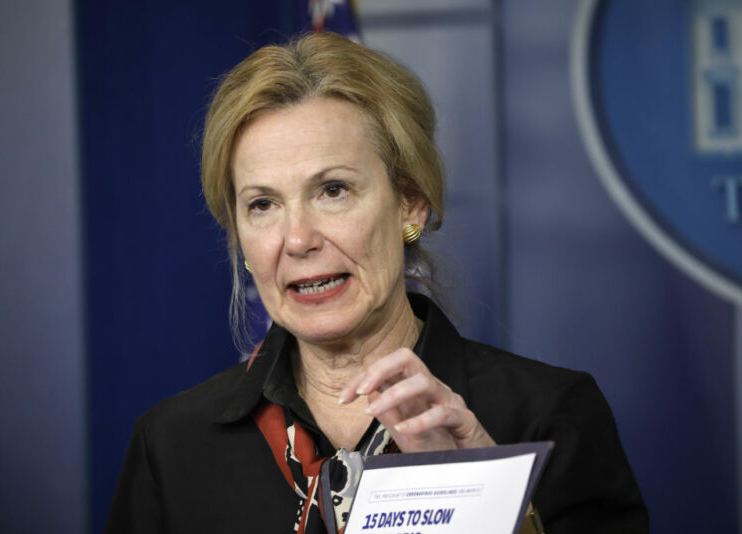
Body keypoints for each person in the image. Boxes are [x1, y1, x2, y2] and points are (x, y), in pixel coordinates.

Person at [106, 32, 648, 534]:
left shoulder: (548, 416)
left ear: (410, 203)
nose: (298, 239)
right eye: (263, 204)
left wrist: (496, 508)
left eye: (333, 190)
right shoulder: (172, 444)